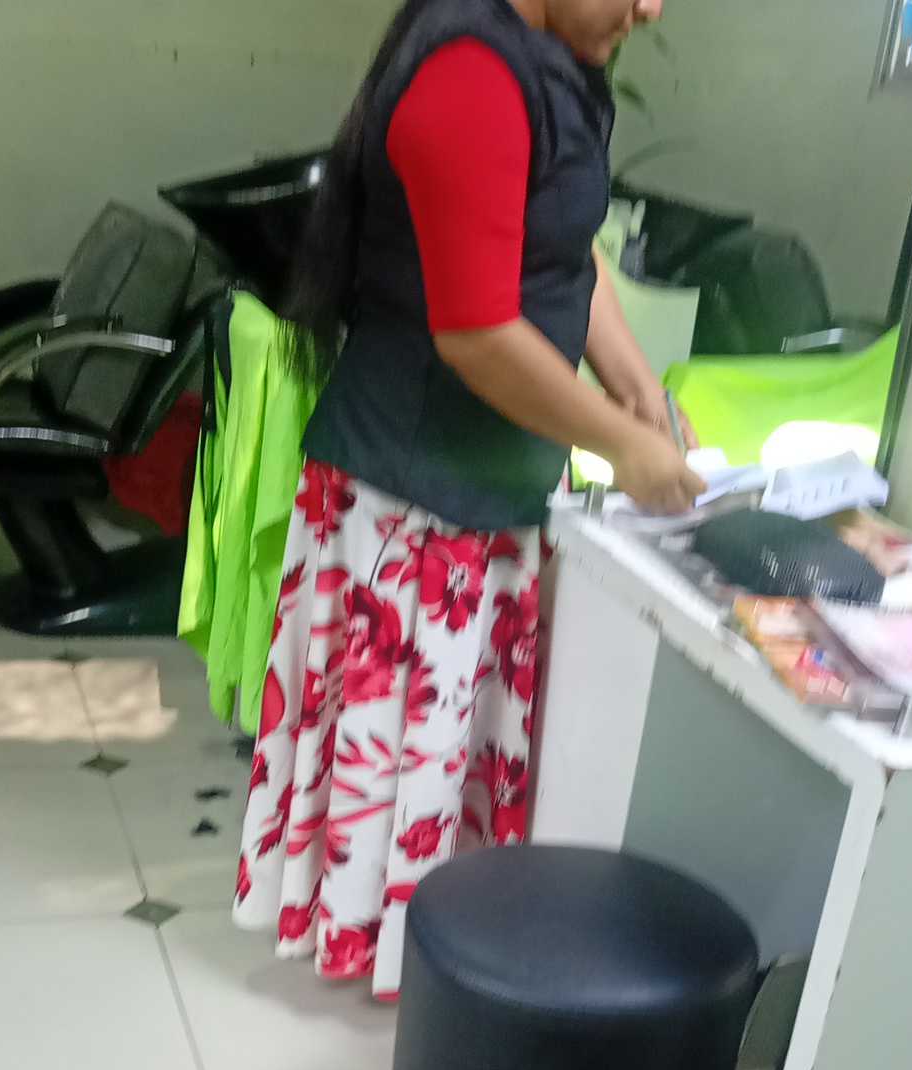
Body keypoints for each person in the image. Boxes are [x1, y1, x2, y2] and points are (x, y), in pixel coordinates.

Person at [234, 0, 703, 999]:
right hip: (410, 509)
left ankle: (444, 949)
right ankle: (392, 957)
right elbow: (478, 333)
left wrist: (633, 385)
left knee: (449, 751)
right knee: (401, 751)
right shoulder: (469, 78)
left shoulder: (547, 63)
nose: (652, 9)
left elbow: (562, 250)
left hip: (486, 494)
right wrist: (622, 445)